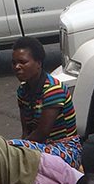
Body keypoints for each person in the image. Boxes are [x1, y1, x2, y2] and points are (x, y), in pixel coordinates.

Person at [8, 36, 82, 168]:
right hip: (39, 147)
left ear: (38, 63)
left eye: (22, 62)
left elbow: (42, 133)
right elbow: (26, 131)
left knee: (6, 151)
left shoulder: (53, 90)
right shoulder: (23, 91)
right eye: (14, 63)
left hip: (65, 150)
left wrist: (16, 151)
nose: (17, 67)